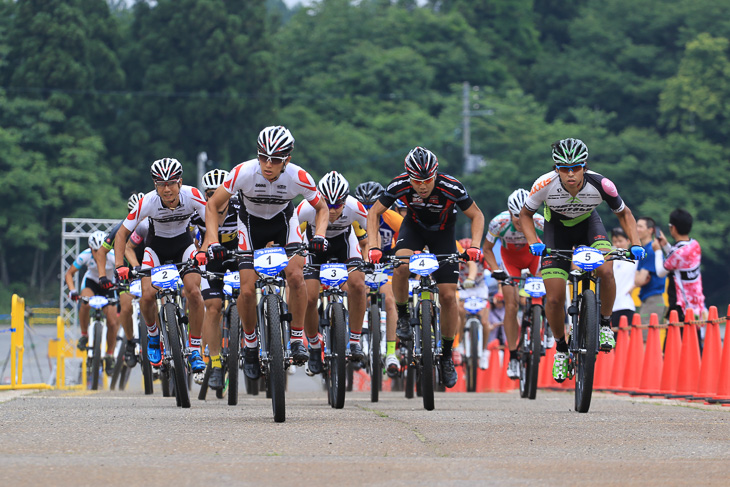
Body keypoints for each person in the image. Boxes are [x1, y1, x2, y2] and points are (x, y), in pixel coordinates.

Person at [203, 126, 329, 381]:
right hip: (250, 224)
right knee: (247, 289)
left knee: (296, 276)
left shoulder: (299, 176)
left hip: (284, 222)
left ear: (287, 160)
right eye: (263, 157)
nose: (267, 164)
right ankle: (250, 345)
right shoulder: (243, 172)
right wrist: (213, 241)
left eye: (275, 160)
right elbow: (212, 205)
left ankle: (296, 337)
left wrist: (320, 237)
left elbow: (322, 208)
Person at [519, 138, 644, 382]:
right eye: (564, 169)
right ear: (556, 169)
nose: (570, 174)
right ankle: (561, 350)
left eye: (575, 168)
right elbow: (525, 214)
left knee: (606, 272)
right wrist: (534, 241)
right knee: (554, 298)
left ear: (584, 167)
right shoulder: (544, 184)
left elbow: (624, 214)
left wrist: (635, 243)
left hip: (590, 225)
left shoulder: (602, 184)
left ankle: (605, 324)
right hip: (556, 232)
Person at [366, 146, 485, 388]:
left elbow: (477, 216)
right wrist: (374, 247)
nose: (422, 185)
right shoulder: (399, 184)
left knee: (450, 296)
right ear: (408, 176)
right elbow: (374, 213)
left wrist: (474, 245)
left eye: (428, 179)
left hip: (443, 234)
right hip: (414, 230)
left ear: (435, 174)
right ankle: (402, 315)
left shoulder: (451, 186)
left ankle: (447, 354)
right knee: (400, 266)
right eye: (417, 180)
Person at [113, 158, 209, 382]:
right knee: (147, 295)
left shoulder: (193, 195)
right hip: (155, 249)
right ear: (155, 185)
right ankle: (154, 337)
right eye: (161, 184)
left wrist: (205, 248)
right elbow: (121, 234)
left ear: (180, 182)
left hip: (183, 247)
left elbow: (211, 220)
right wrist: (119, 265)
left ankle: (195, 348)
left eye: (172, 183)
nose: (167, 189)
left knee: (194, 292)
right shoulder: (147, 201)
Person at [298, 171, 368, 374]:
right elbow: (292, 231)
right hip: (314, 249)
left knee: (358, 285)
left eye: (338, 205)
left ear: (346, 200)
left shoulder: (356, 207)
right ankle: (313, 346)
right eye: (328, 205)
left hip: (344, 245)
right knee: (310, 298)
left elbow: (370, 231)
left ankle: (354, 340)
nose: (334, 210)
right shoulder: (307, 207)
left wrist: (372, 253)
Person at [483, 188, 545, 380]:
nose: (520, 221)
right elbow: (487, 249)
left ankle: (547, 329)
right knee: (511, 305)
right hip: (510, 262)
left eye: (525, 215)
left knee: (549, 291)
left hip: (534, 259)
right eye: (516, 217)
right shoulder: (498, 223)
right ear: (509, 213)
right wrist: (495, 270)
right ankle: (513, 356)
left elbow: (553, 243)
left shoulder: (539, 221)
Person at [190, 169, 240, 390]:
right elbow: (188, 241)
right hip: (212, 261)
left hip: (239, 257)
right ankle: (216, 363)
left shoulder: (241, 210)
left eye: (220, 193)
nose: (215, 199)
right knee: (213, 307)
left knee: (249, 295)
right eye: (210, 194)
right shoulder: (197, 214)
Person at [354, 181, 404, 378]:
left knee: (390, 300)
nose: (367, 210)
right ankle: (356, 340)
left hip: (386, 263)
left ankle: (391, 352)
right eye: (363, 205)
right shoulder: (352, 217)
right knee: (357, 296)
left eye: (372, 205)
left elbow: (408, 236)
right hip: (361, 262)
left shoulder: (392, 218)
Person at [95, 192, 146, 368]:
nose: (139, 218)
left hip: (150, 268)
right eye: (134, 213)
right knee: (125, 309)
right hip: (129, 274)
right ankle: (131, 342)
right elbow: (101, 252)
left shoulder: (155, 224)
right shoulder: (120, 229)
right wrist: (102, 276)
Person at [65, 231, 119, 375]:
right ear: (90, 248)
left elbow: (122, 271)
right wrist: (72, 290)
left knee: (113, 322)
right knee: (85, 302)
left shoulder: (112, 256)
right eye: (95, 250)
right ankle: (84, 334)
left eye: (102, 250)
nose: (98, 253)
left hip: (108, 286)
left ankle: (109, 354)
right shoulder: (85, 255)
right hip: (92, 283)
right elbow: (69, 273)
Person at [654, 209, 707, 323]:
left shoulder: (677, 253)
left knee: (675, 339)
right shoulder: (694, 245)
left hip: (680, 305)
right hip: (695, 304)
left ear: (673, 228)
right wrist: (665, 245)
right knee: (693, 338)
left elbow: (660, 272)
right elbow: (678, 260)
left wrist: (658, 251)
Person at [455, 237, 489, 367]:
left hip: (480, 289)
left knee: (485, 321)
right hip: (464, 289)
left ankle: (484, 351)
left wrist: (499, 291)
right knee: (460, 312)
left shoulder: (483, 259)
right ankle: (460, 342)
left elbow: (496, 276)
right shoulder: (459, 259)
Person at [635, 217, 666, 331]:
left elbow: (639, 280)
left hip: (653, 299)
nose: (637, 229)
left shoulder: (651, 250)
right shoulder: (644, 250)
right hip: (647, 298)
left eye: (640, 226)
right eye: (636, 226)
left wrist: (639, 278)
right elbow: (638, 280)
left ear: (650, 230)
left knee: (646, 340)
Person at [610, 227, 637, 344]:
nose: (618, 244)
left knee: (625, 339)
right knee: (613, 341)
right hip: (611, 306)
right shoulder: (611, 259)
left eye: (620, 241)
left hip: (626, 304)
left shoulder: (634, 259)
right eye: (615, 242)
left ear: (628, 241)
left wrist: (634, 286)